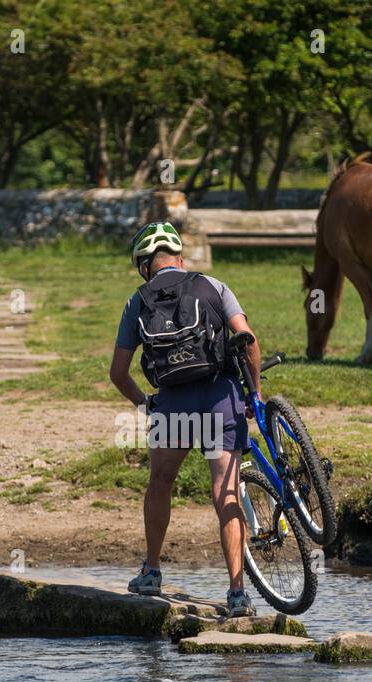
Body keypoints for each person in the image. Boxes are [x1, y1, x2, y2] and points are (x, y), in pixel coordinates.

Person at [108, 221, 263, 617]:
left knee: (161, 481)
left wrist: (146, 403)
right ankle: (237, 594)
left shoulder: (137, 301)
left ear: (145, 266)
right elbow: (248, 341)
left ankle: (152, 570)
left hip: (173, 403)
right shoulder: (212, 285)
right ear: (179, 257)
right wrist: (254, 395)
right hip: (218, 395)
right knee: (223, 491)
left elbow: (118, 373)